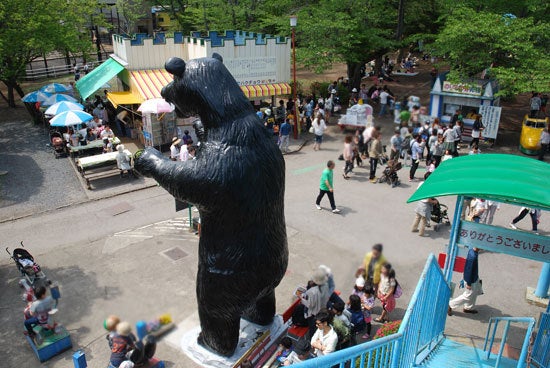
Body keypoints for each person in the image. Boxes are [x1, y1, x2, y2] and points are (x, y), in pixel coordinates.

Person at [298, 268, 332, 337]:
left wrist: (301, 298)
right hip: (322, 309)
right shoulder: (325, 286)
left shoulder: (313, 292)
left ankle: (312, 339)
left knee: (312, 328)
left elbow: (310, 305)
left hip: (314, 313)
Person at [448, 248, 481, 315]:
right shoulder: (473, 257)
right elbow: (469, 270)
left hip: (473, 277)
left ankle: (469, 308)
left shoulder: (472, 251)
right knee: (468, 295)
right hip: (471, 280)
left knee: (473, 293)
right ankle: (450, 304)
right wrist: (469, 283)